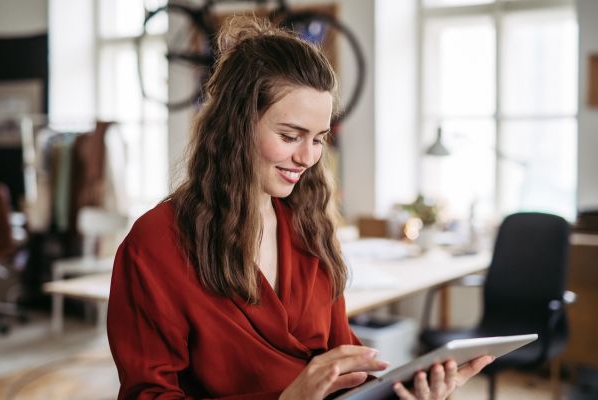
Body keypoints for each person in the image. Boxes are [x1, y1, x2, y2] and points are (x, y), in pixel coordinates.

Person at [107, 15, 493, 400]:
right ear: (234, 126)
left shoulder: (310, 227)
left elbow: (345, 368)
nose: (308, 157)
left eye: (319, 138)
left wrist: (405, 392)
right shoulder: (157, 243)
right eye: (290, 136)